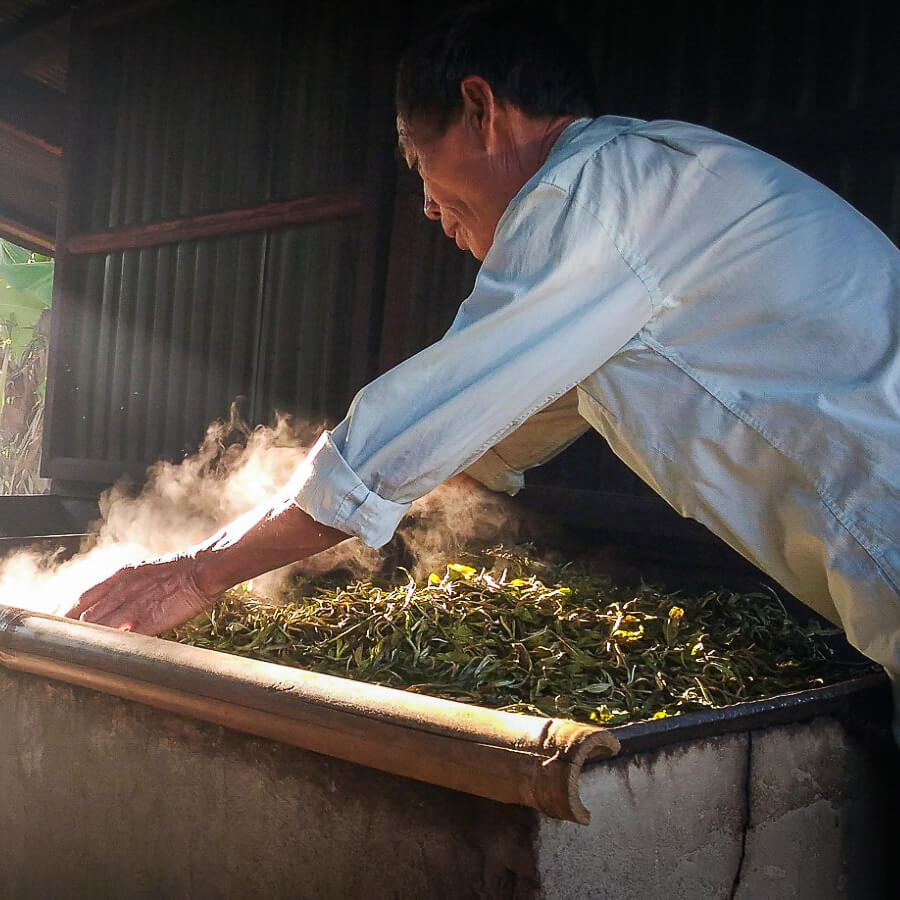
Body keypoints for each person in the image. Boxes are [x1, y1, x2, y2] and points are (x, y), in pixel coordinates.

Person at [67, 5, 900, 742]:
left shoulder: (595, 192)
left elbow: (409, 429)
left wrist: (195, 571)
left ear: (481, 110)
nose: (428, 210)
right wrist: (294, 522)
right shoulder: (638, 225)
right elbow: (466, 451)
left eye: (420, 165)